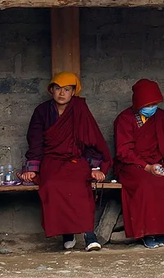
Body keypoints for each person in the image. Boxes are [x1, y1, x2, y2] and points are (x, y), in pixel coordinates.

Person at [20, 72, 111, 251]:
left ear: (73, 92)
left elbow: (91, 139)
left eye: (67, 89)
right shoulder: (42, 111)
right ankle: (67, 233)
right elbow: (35, 141)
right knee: (53, 186)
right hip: (51, 160)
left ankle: (88, 234)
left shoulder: (80, 109)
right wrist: (33, 168)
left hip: (76, 160)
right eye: (58, 89)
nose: (62, 93)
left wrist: (95, 167)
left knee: (80, 187)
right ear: (51, 90)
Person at [114, 79, 164, 248]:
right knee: (147, 184)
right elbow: (124, 151)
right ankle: (148, 233)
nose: (152, 107)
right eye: (148, 104)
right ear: (138, 103)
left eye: (155, 103)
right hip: (133, 165)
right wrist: (147, 167)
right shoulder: (125, 119)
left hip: (160, 163)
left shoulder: (162, 117)